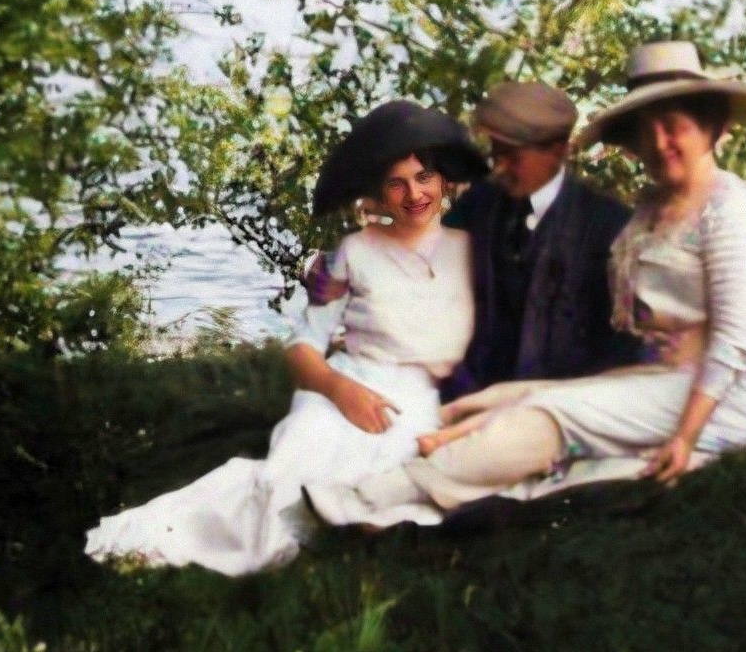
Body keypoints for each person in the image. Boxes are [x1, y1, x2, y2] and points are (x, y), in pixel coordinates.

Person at [304, 43, 746, 530]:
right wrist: (346, 259)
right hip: (668, 378)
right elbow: (423, 248)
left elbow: (735, 338)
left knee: (549, 411)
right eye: (646, 133)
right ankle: (465, 482)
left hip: (734, 389)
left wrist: (686, 435)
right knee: (499, 400)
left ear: (711, 126)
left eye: (675, 128)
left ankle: (381, 496)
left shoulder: (730, 212)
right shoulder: (649, 210)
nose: (660, 145)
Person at [84, 97, 485, 576]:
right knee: (293, 477)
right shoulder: (355, 252)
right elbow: (303, 347)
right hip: (352, 385)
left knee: (397, 481)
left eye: (423, 178)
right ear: (378, 193)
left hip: (428, 399)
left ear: (443, 181)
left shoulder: (474, 253)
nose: (413, 194)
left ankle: (360, 530)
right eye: (396, 183)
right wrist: (342, 391)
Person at [442, 79, 638, 397]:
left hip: (561, 411)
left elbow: (624, 345)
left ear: (557, 151)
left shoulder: (609, 225)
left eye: (513, 155)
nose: (499, 166)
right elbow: (431, 266)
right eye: (495, 152)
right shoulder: (478, 204)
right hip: (469, 395)